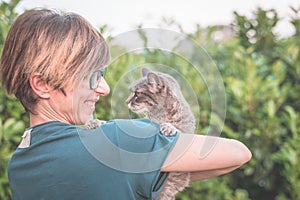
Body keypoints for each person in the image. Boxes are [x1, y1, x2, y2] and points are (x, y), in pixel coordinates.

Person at [0, 8, 252, 200]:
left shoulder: (20, 163)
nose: (105, 88)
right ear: (42, 84)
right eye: (92, 77)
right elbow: (237, 153)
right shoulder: (115, 142)